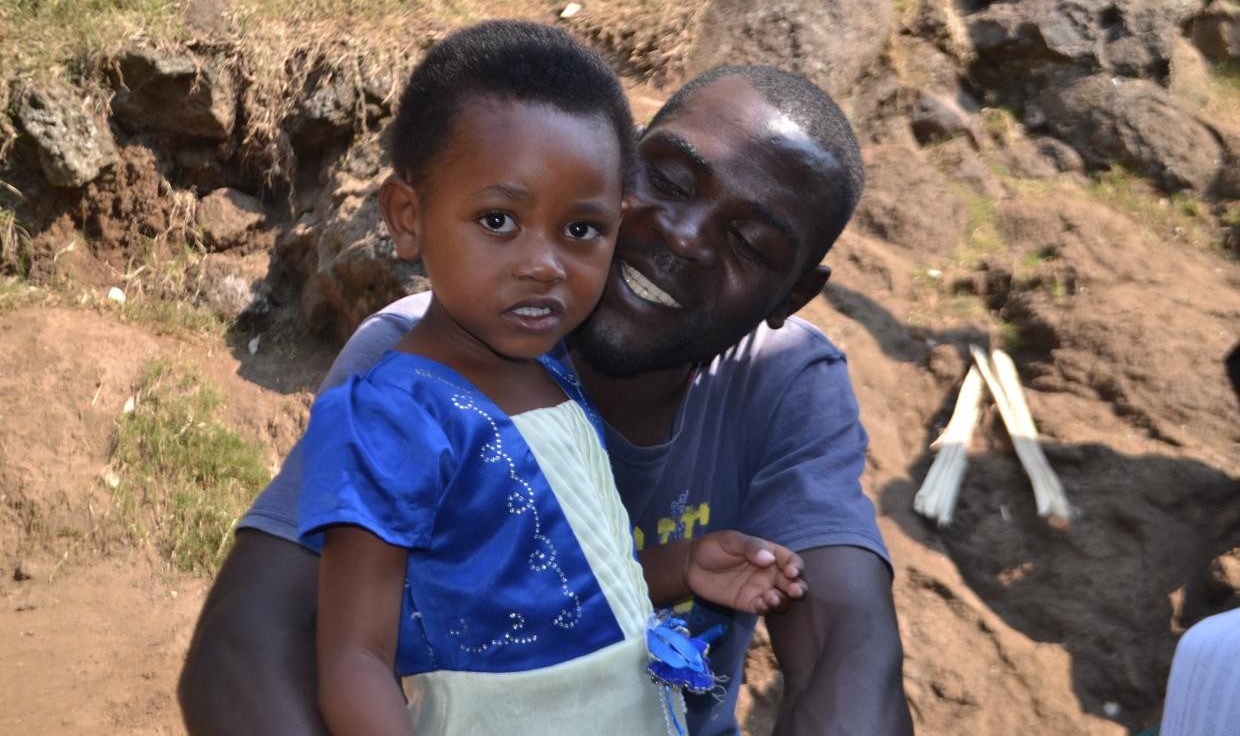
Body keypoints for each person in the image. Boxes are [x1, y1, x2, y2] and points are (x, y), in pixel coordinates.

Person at [179, 60, 914, 736]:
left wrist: (677, 568)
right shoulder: (422, 369)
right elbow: (247, 645)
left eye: (750, 242)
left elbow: (848, 651)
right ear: (616, 166)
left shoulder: (785, 382)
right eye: (667, 180)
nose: (685, 237)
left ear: (792, 296)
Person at [296, 19, 807, 736]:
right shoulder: (395, 415)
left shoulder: (554, 379)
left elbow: (568, 578)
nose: (545, 263)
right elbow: (353, 657)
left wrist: (683, 566)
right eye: (499, 219)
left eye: (581, 231)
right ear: (407, 219)